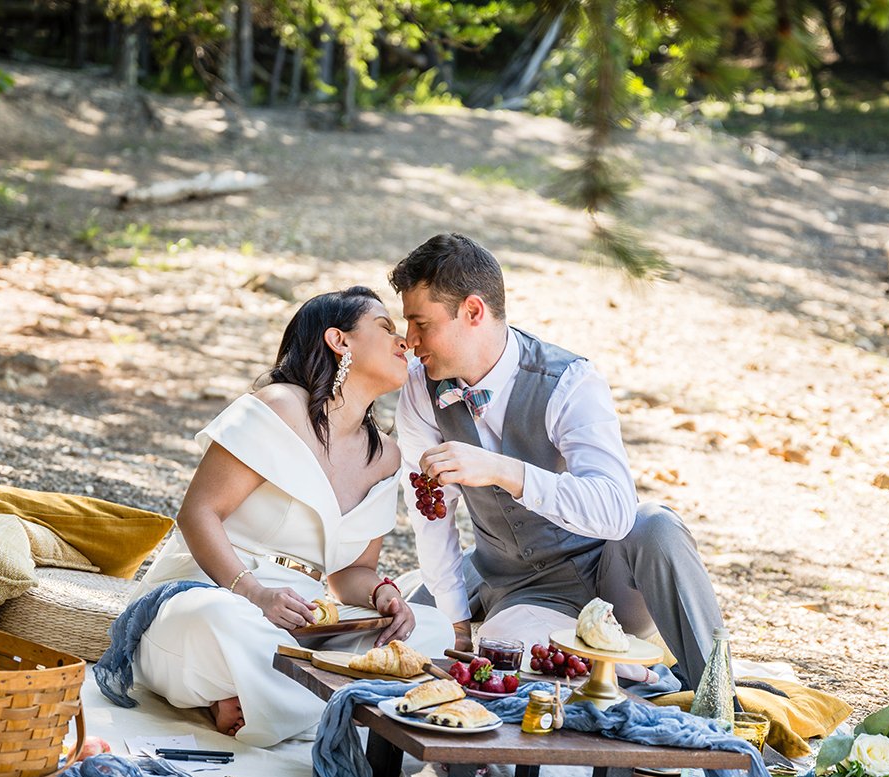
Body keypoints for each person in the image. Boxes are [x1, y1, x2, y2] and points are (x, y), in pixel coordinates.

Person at [392, 234, 725, 690]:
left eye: (420, 323)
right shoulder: (420, 390)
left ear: (473, 312)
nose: (409, 341)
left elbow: (614, 511)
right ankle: (647, 684)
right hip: (523, 590)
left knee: (656, 524)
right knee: (500, 653)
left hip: (612, 580)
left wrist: (502, 470)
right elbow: (430, 516)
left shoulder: (570, 381)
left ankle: (718, 697)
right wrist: (456, 624)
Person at [128, 286, 454, 746]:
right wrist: (255, 594)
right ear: (339, 340)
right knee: (224, 621)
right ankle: (335, 706)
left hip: (302, 626)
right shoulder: (279, 406)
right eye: (385, 329)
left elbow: (351, 574)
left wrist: (383, 594)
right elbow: (198, 513)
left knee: (431, 629)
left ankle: (266, 697)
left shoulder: (385, 456)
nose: (404, 342)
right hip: (214, 596)